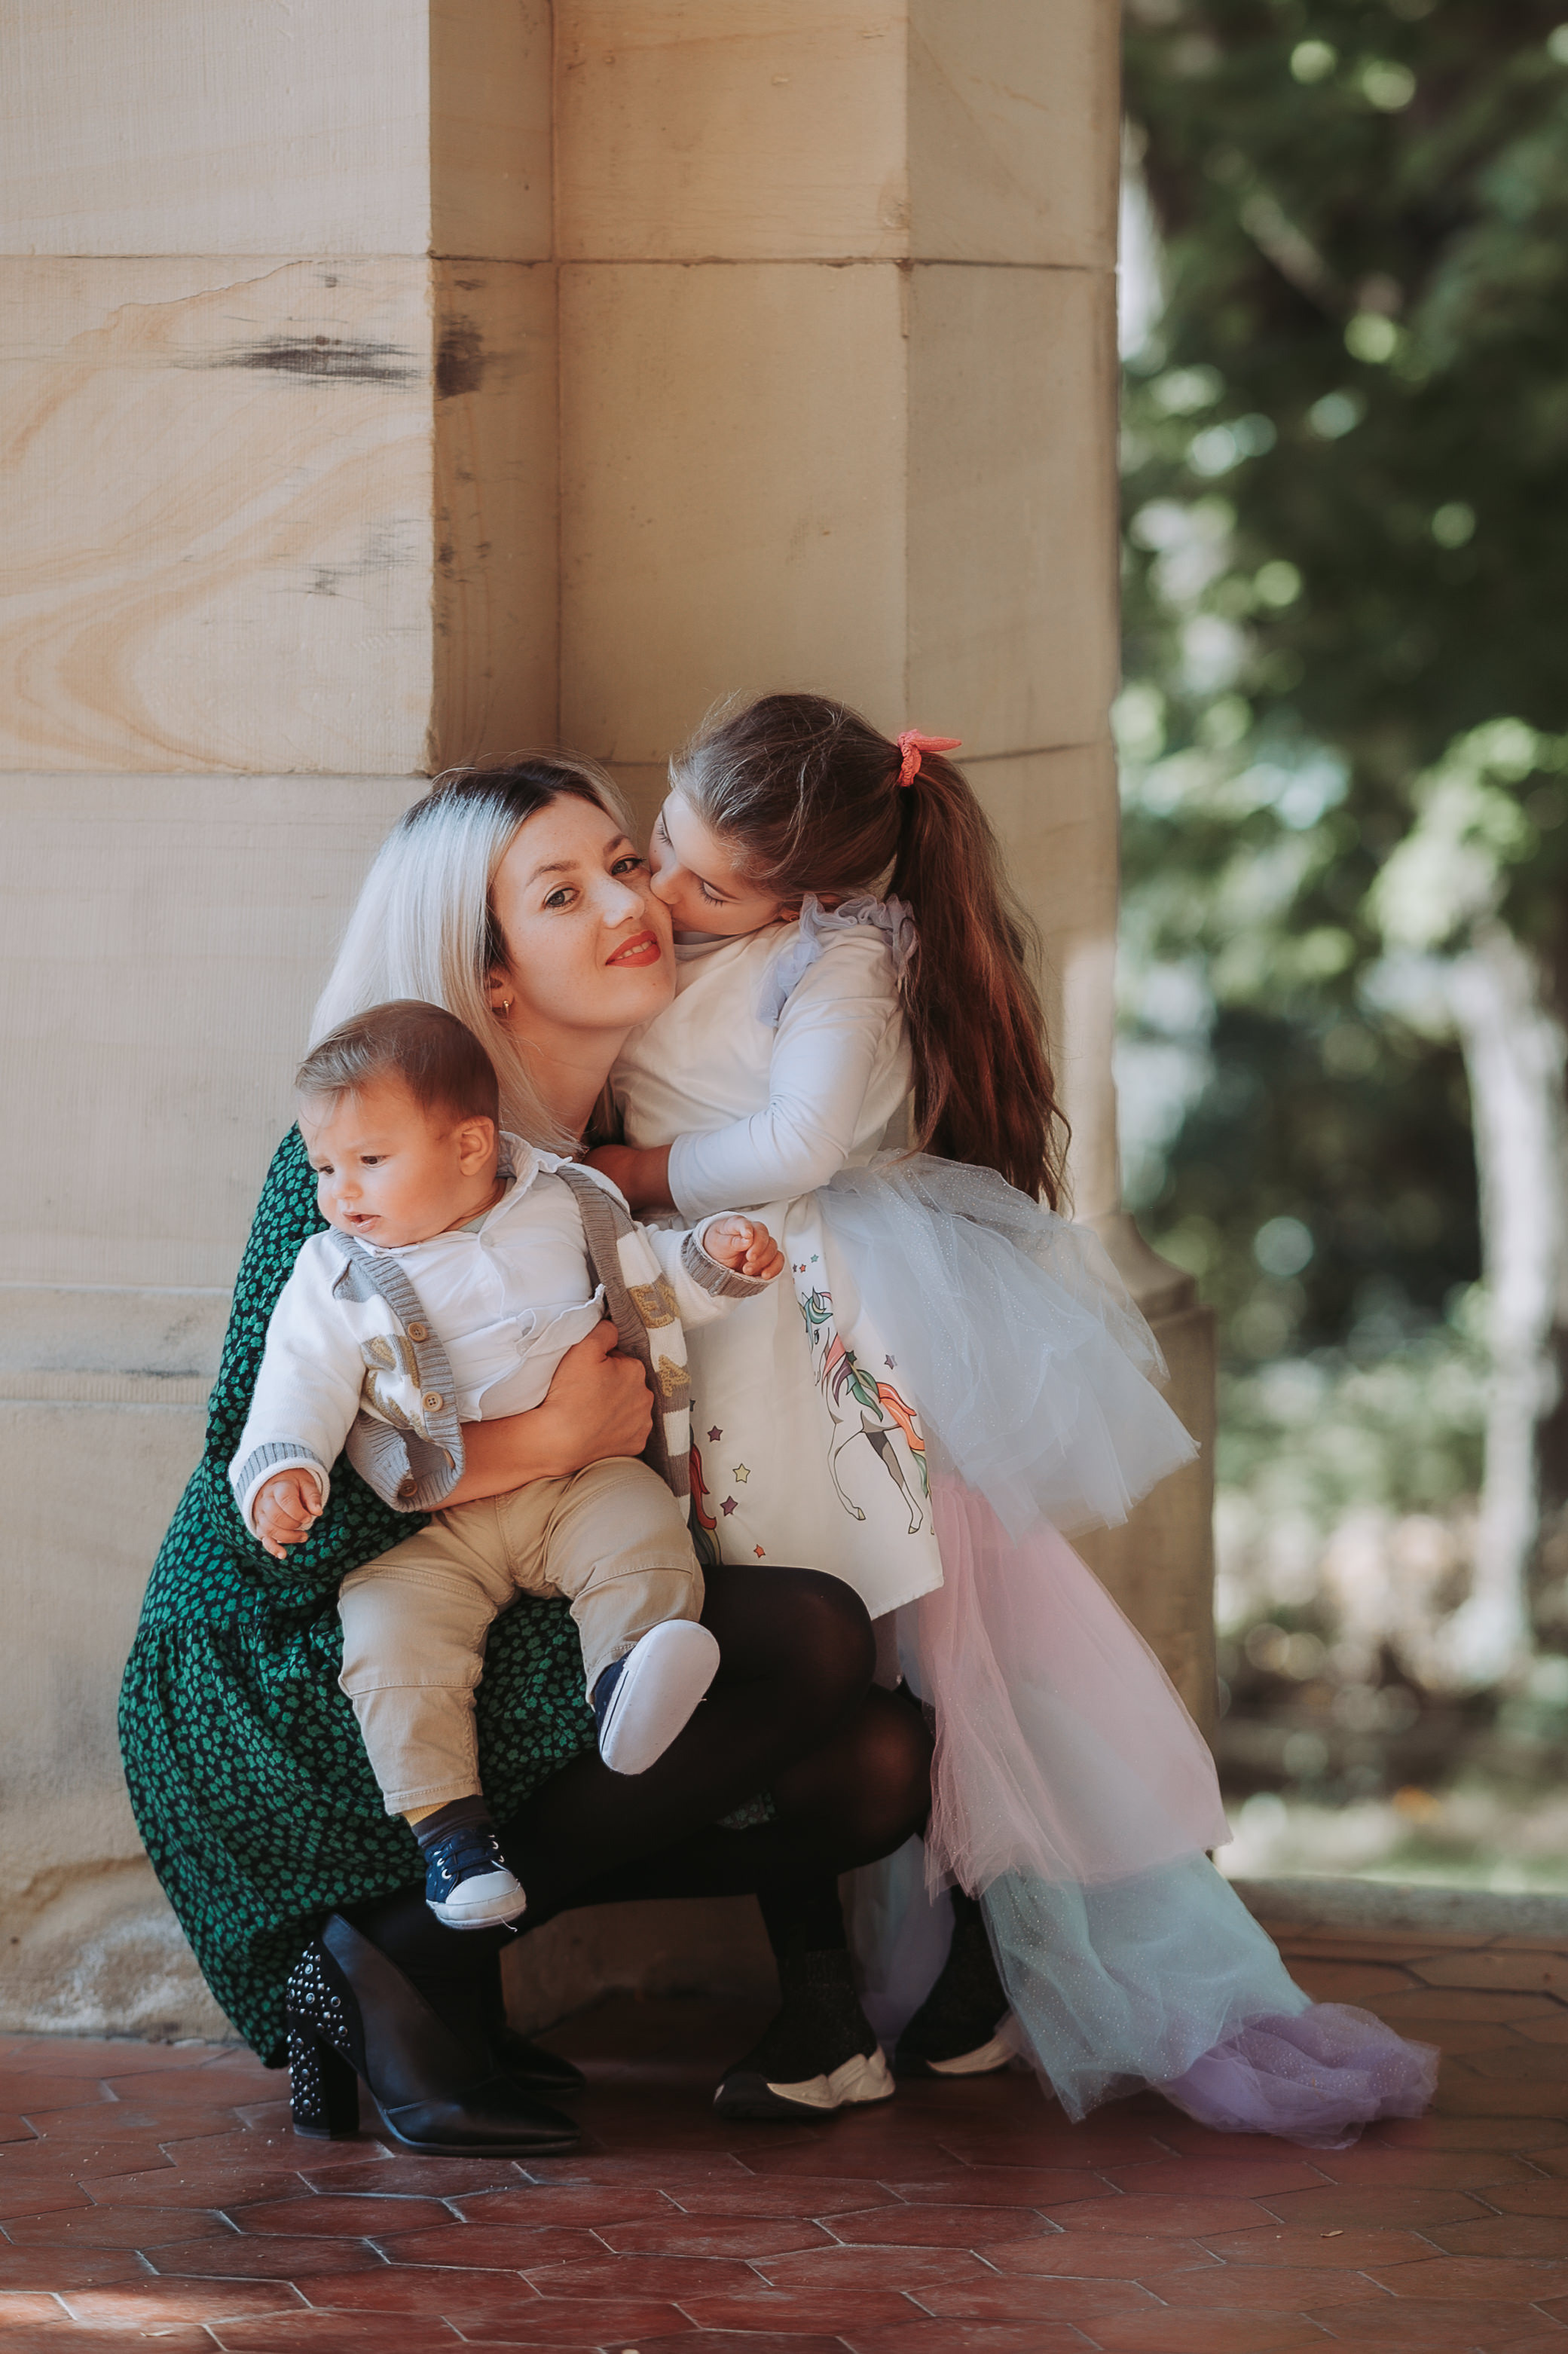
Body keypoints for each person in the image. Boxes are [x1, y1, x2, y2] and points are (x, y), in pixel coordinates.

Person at [601, 691, 1439, 2148]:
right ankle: (838, 1993)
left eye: (707, 886)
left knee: (944, 1659)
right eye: (663, 840)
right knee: (764, 1651)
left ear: (806, 895)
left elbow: (798, 1141)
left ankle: (979, 1963)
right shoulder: (702, 933)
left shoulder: (840, 957)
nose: (664, 890)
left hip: (833, 1347)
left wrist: (630, 1168)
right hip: (720, 1344)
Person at [120, 754, 933, 2159]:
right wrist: (540, 1439)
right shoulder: (363, 1160)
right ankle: (392, 1959)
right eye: (564, 894)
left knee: (875, 1763)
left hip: (528, 1595)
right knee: (807, 1635)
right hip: (285, 1664)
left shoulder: (590, 1164)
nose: (632, 903)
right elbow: (263, 1502)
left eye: (625, 863)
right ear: (491, 977)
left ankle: (419, 1948)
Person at [235, 996, 785, 1934]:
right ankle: (452, 1840)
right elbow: (297, 1381)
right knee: (389, 1641)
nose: (339, 1191)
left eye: (369, 1161)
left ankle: (624, 1681)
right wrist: (283, 1470)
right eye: (327, 1167)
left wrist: (712, 1258)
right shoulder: (335, 1271)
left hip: (577, 1487)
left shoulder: (562, 1202)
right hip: (438, 1531)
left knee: (643, 1536)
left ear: (469, 1147)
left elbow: (642, 1282)